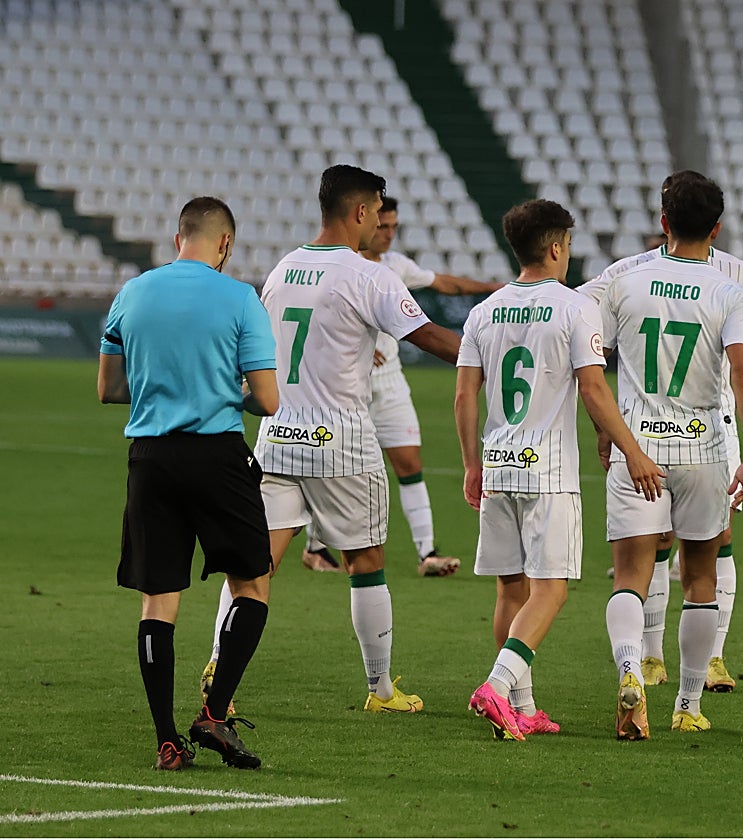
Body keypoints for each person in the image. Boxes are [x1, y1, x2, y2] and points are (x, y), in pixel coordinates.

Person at [242, 164, 461, 715]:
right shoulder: (368, 275)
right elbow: (430, 337)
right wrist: (492, 352)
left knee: (257, 565)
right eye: (378, 213)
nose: (379, 225)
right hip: (338, 441)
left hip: (276, 436)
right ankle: (381, 690)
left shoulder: (283, 269)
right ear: (361, 211)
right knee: (367, 562)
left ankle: (220, 665)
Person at [455, 199, 663, 740]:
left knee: (511, 589)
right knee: (551, 590)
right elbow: (593, 387)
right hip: (546, 471)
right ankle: (497, 688)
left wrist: (472, 464)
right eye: (568, 244)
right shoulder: (573, 308)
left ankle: (522, 706)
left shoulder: (484, 312)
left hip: (498, 463)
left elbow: (464, 395)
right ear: (554, 247)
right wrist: (633, 451)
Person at [582, 171, 743, 695]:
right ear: (716, 227)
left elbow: (589, 354)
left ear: (663, 220)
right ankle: (685, 697)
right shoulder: (727, 286)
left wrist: (605, 429)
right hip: (705, 438)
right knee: (702, 567)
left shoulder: (626, 278)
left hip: (639, 438)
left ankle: (638, 665)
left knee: (634, 568)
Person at [99, 197, 278, 771]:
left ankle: (167, 742)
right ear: (225, 243)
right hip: (216, 456)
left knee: (158, 602)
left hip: (150, 461)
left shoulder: (131, 294)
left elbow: (108, 389)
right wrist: (224, 390)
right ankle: (214, 714)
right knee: (252, 585)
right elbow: (268, 399)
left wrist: (163, 389)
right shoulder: (240, 298)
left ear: (179, 238)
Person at [301, 195, 506, 576]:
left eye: (394, 226)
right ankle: (315, 546)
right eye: (383, 225)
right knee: (330, 465)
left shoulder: (396, 266)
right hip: (345, 386)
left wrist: (495, 286)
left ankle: (427, 552)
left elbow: (445, 283)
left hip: (391, 383)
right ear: (365, 220)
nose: (388, 234)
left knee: (410, 463)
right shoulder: (343, 268)